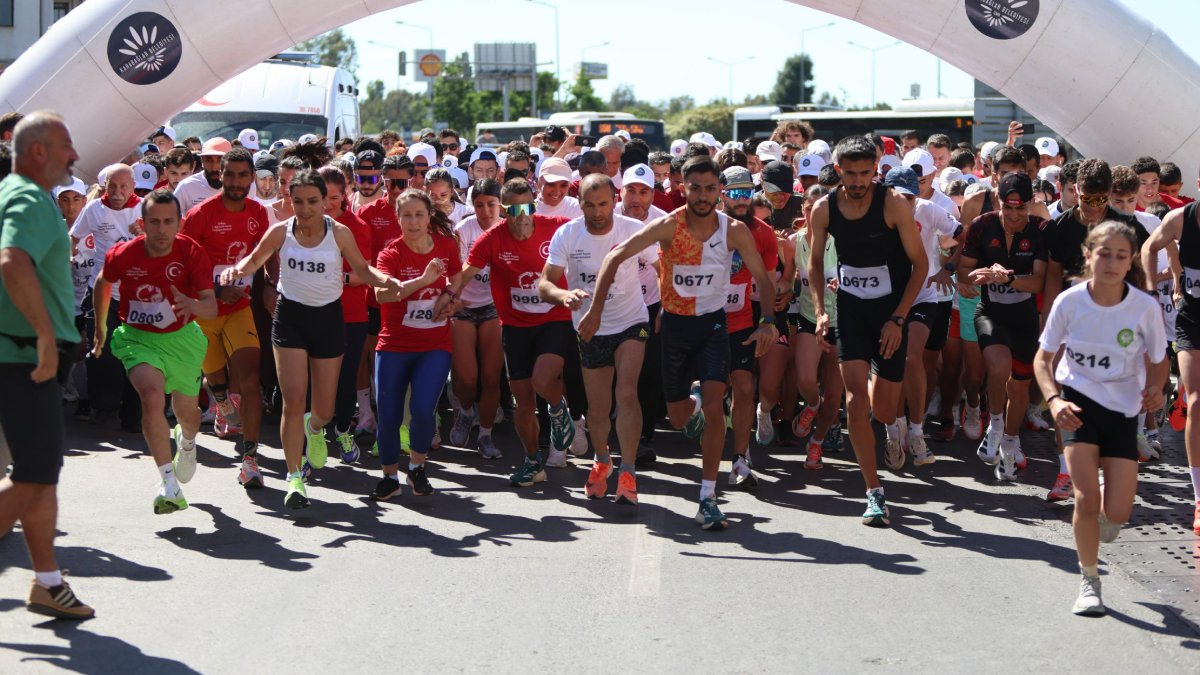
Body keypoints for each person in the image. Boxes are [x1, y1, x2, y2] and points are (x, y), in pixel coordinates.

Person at [586, 156, 778, 529]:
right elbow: (614, 256)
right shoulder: (667, 227)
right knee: (677, 418)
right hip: (674, 327)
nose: (703, 196)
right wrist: (595, 310)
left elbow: (763, 278)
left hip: (712, 327)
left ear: (719, 191)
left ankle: (708, 497)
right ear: (682, 188)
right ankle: (691, 400)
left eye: (710, 189)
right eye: (695, 188)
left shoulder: (734, 230)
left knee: (715, 400)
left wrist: (768, 320)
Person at [221, 170, 400, 509]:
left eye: (313, 201)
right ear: (289, 200)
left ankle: (315, 428)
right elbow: (254, 259)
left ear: (325, 202)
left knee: (324, 410)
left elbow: (362, 269)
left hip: (328, 321)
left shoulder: (340, 233)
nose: (305, 209)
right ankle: (294, 478)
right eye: (298, 201)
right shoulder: (280, 231)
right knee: (292, 400)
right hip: (290, 319)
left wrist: (384, 279)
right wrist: (236, 270)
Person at [1037, 221, 1167, 615]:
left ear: (1130, 263)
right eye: (1104, 253)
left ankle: (1105, 524)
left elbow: (1160, 361)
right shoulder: (1070, 302)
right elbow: (1043, 360)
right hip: (1077, 403)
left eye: (1121, 256)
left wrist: (1157, 389)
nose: (1111, 262)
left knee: (1119, 512)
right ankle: (1089, 581)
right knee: (1086, 496)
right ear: (1089, 255)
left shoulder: (1144, 307)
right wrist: (1054, 401)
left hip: (1123, 409)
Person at [0, 110, 94, 619]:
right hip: (22, 355)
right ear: (38, 151)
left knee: (42, 474)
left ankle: (47, 582)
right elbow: (12, 260)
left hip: (19, 352)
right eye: (66, 145)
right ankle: (46, 582)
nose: (74, 155)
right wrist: (42, 335)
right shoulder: (30, 198)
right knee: (36, 473)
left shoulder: (11, 193)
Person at [809, 135, 929, 527]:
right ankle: (874, 492)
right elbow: (813, 265)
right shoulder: (824, 209)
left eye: (866, 173)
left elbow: (920, 265)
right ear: (839, 170)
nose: (858, 181)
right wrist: (819, 312)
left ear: (875, 171)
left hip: (890, 313)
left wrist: (898, 319)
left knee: (882, 409)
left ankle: (893, 425)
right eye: (851, 173)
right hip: (851, 311)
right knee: (855, 401)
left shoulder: (893, 204)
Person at [440, 178, 580, 486]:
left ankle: (558, 410)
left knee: (544, 379)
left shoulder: (557, 226)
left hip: (554, 317)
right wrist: (445, 298)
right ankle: (533, 462)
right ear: (504, 211)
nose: (522, 216)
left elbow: (595, 242)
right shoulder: (491, 239)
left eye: (528, 206)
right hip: (516, 326)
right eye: (514, 209)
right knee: (523, 401)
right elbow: (463, 276)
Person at [91, 190, 216, 514]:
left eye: (168, 222)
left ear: (179, 223)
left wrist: (193, 305)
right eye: (154, 222)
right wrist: (100, 328)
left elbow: (211, 306)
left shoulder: (191, 252)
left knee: (187, 413)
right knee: (150, 395)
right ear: (142, 223)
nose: (161, 229)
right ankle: (168, 485)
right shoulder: (124, 254)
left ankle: (187, 443)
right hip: (138, 338)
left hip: (181, 339)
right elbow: (103, 283)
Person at [539, 173, 653, 504]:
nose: (597, 211)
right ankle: (602, 460)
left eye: (603, 204)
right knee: (598, 408)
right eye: (589, 205)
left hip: (632, 321)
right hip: (590, 327)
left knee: (627, 393)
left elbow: (663, 266)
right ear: (581, 204)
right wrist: (563, 296)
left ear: (614, 200)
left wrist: (671, 305)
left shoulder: (632, 230)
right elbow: (545, 283)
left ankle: (628, 471)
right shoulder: (568, 234)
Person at [1042, 158, 1145, 500]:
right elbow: (1052, 278)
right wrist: (1047, 327)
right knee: (1065, 393)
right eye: (1086, 198)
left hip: (1116, 325)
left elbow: (1141, 275)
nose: (1093, 208)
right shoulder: (1059, 228)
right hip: (1072, 322)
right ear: (1076, 192)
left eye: (1101, 200)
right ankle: (1064, 470)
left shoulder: (1124, 226)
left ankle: (1102, 471)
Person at [364, 189, 461, 500]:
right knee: (389, 414)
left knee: (422, 409)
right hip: (394, 346)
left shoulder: (446, 245)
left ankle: (417, 468)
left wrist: (449, 299)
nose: (413, 221)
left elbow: (457, 279)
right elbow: (382, 295)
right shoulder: (390, 254)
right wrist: (423, 279)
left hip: (435, 344)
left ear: (429, 216)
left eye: (419, 214)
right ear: (398, 218)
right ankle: (390, 476)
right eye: (407, 215)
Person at [182, 147, 269, 484]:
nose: (235, 181)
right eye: (229, 174)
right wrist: (217, 290)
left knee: (249, 381)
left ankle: (250, 460)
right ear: (221, 175)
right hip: (205, 311)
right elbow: (183, 266)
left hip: (239, 309)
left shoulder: (258, 213)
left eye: (242, 175)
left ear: (251, 178)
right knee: (216, 378)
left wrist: (270, 286)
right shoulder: (201, 214)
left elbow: (265, 254)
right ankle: (220, 401)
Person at [957, 173, 1047, 481]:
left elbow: (1038, 283)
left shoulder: (1039, 229)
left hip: (1024, 318)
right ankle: (995, 426)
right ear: (998, 202)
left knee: (1019, 386)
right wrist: (982, 274)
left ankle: (1010, 441)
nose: (1014, 216)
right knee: (998, 368)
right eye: (1008, 209)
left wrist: (1007, 278)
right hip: (990, 312)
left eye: (1021, 209)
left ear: (1029, 206)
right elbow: (964, 273)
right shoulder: (982, 226)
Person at [882, 167, 963, 467]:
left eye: (911, 197)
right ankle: (895, 427)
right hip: (886, 297)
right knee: (888, 363)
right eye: (899, 197)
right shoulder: (875, 212)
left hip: (923, 293)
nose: (906, 203)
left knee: (911, 356)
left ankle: (916, 431)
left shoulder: (930, 210)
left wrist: (948, 268)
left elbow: (962, 235)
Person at [69, 163, 143, 432]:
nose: (118, 191)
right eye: (112, 185)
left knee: (137, 354)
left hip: (138, 296)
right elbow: (74, 236)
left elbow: (168, 241)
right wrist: (69, 256)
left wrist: (145, 235)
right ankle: (105, 409)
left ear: (133, 186)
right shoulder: (94, 209)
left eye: (123, 186)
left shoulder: (145, 208)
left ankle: (134, 414)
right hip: (101, 290)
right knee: (103, 351)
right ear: (105, 186)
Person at [1142, 197, 1200, 536]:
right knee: (1197, 403)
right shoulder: (1181, 219)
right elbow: (1150, 248)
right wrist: (1151, 292)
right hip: (1192, 319)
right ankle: (1198, 498)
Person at [718, 166, 778, 488]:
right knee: (710, 393)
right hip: (703, 320)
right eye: (734, 193)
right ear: (721, 193)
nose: (741, 201)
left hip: (741, 320)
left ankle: (740, 459)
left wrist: (768, 321)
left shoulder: (763, 233)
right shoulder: (705, 226)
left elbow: (768, 282)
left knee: (744, 388)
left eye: (746, 193)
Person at [317, 166, 373, 463]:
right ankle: (315, 432)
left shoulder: (356, 227)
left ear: (345, 195)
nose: (327, 204)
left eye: (335, 197)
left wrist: (337, 279)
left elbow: (364, 274)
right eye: (322, 197)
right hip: (314, 312)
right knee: (315, 377)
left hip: (350, 314)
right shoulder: (304, 224)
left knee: (346, 377)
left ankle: (341, 429)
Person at [448, 179, 505, 459]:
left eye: (491, 204)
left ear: (500, 204)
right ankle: (466, 410)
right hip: (463, 306)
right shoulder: (463, 229)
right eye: (479, 205)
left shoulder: (507, 229)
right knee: (468, 378)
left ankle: (485, 434)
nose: (485, 211)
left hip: (494, 308)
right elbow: (455, 273)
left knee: (491, 378)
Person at [792, 184, 843, 468]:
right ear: (802, 208)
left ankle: (817, 443)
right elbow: (787, 279)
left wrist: (842, 285)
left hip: (842, 322)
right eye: (809, 208)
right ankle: (811, 405)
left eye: (819, 208)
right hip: (810, 318)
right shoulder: (794, 241)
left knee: (834, 395)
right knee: (806, 381)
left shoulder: (842, 241)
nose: (814, 213)